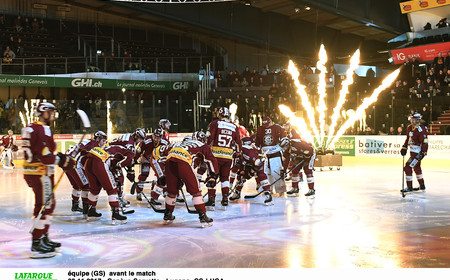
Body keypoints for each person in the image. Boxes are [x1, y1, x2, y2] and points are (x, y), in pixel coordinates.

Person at [21, 102, 75, 258]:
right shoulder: (42, 129)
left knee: (46, 205)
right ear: (44, 113)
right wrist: (63, 162)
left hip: (33, 171)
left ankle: (43, 236)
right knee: (45, 206)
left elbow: (43, 152)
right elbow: (45, 157)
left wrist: (60, 157)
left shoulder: (31, 127)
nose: (53, 116)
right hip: (41, 172)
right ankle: (37, 243)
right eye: (51, 113)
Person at [163, 136, 219, 227]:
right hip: (183, 160)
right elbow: (211, 160)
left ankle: (167, 214)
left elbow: (163, 153)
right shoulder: (203, 146)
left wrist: (163, 174)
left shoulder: (179, 144)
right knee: (195, 190)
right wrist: (213, 175)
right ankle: (203, 216)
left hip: (169, 159)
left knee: (172, 191)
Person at [83, 143, 134, 224]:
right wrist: (121, 166)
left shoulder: (112, 149)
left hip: (88, 161)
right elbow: (127, 160)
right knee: (112, 189)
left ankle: (91, 211)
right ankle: (116, 214)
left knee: (94, 189)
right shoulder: (128, 152)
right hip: (100, 162)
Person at [203, 107, 242, 209]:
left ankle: (211, 200)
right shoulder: (234, 126)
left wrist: (206, 149)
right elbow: (238, 142)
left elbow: (209, 138)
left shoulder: (215, 123)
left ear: (219, 114)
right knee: (225, 178)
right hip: (228, 157)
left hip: (215, 156)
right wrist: (237, 153)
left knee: (212, 176)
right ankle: (225, 199)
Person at [64, 131, 108, 215]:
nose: (104, 143)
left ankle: (75, 205)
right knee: (86, 186)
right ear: (98, 139)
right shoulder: (94, 145)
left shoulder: (89, 142)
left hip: (66, 162)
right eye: (103, 140)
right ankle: (86, 209)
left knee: (77, 185)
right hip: (74, 164)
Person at [229, 137, 272, 204]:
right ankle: (237, 192)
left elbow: (258, 163)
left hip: (259, 162)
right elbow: (235, 169)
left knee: (261, 175)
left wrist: (253, 170)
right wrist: (230, 184)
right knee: (241, 175)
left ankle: (267, 194)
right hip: (250, 162)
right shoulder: (241, 153)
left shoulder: (247, 151)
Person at [255, 116, 289, 196]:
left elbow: (284, 138)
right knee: (266, 172)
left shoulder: (277, 127)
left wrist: (283, 143)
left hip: (275, 152)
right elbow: (257, 141)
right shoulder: (260, 129)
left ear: (271, 122)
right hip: (265, 154)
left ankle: (281, 190)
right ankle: (268, 189)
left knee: (276, 171)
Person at [134, 128, 166, 203]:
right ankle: (139, 192)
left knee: (159, 176)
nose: (155, 139)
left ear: (161, 137)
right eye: (155, 136)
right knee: (144, 175)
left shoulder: (165, 142)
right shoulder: (146, 140)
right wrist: (135, 159)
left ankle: (154, 189)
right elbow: (139, 150)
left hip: (157, 161)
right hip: (146, 160)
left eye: (158, 137)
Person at [400, 112, 428, 192]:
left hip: (418, 153)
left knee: (408, 167)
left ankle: (409, 187)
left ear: (418, 120)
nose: (412, 121)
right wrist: (404, 147)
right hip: (412, 152)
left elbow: (425, 142)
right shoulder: (409, 128)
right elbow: (408, 139)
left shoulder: (421, 129)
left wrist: (423, 153)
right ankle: (422, 185)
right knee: (417, 167)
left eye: (414, 119)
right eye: (411, 119)